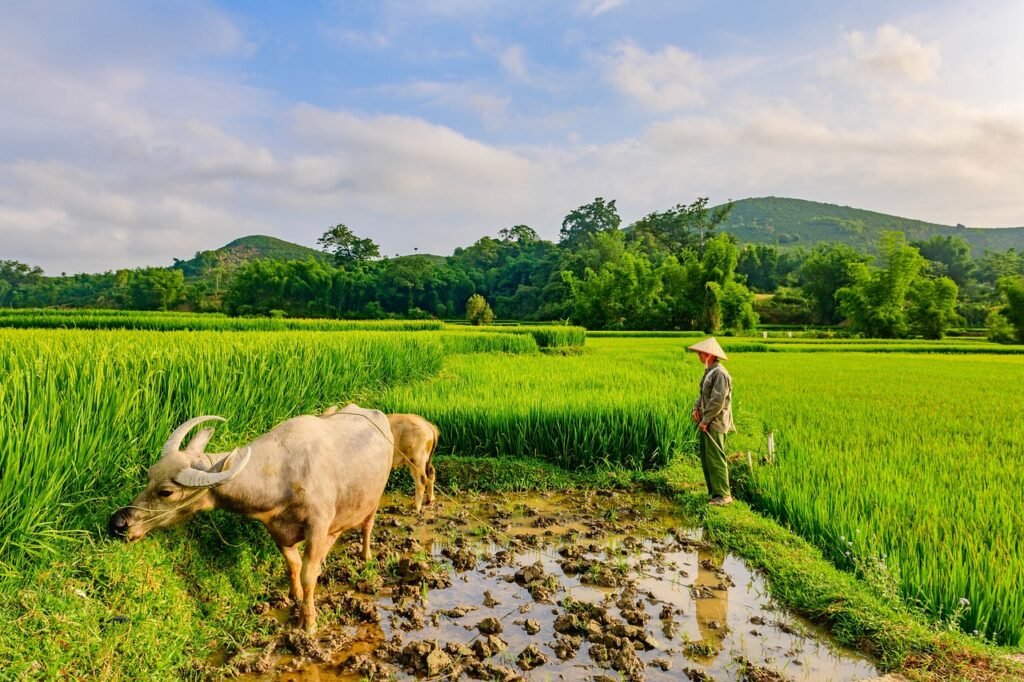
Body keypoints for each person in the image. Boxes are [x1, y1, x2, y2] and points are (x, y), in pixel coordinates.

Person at [689, 337, 734, 506]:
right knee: (707, 458)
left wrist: (705, 420)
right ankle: (715, 494)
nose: (699, 356)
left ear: (709, 354)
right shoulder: (709, 371)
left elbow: (717, 401)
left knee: (716, 458)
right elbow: (702, 395)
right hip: (707, 421)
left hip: (715, 423)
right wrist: (696, 409)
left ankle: (724, 495)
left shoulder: (720, 373)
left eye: (700, 353)